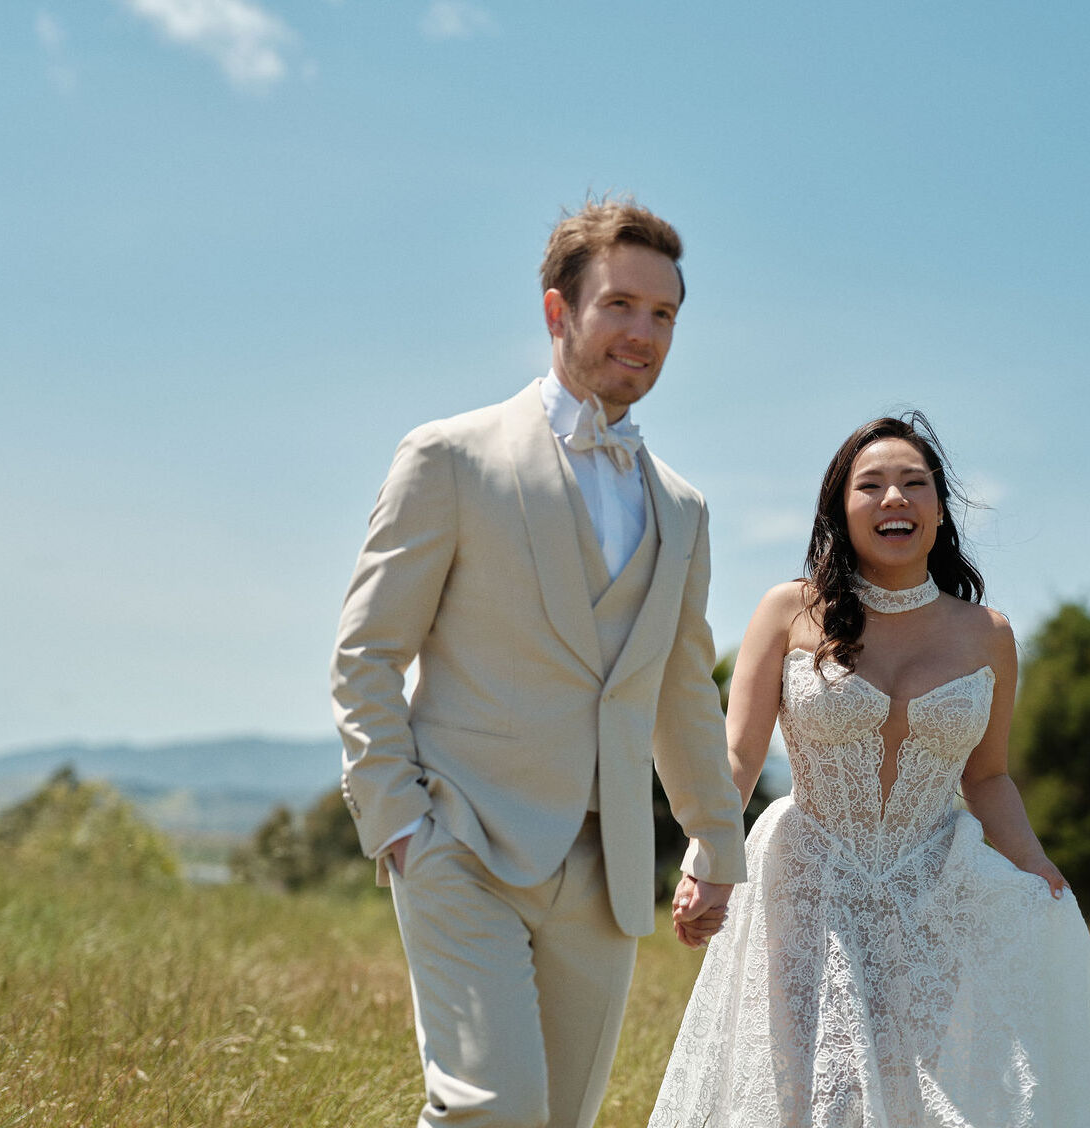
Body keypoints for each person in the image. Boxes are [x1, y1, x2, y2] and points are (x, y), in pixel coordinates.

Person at [332, 197, 749, 1128]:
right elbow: (366, 654)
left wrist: (714, 840)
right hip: (460, 845)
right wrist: (400, 824)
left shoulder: (681, 510)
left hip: (604, 876)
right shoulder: (448, 457)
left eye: (664, 314)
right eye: (619, 306)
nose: (643, 334)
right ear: (558, 311)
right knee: (495, 1112)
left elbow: (680, 689)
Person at [647, 413, 1090, 1127]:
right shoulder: (789, 610)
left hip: (937, 887)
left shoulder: (988, 635)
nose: (894, 499)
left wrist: (1036, 867)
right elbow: (738, 759)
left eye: (914, 484)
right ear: (840, 511)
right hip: (805, 882)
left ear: (940, 511)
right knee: (803, 1093)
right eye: (870, 485)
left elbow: (987, 778)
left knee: (922, 1092)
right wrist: (705, 860)